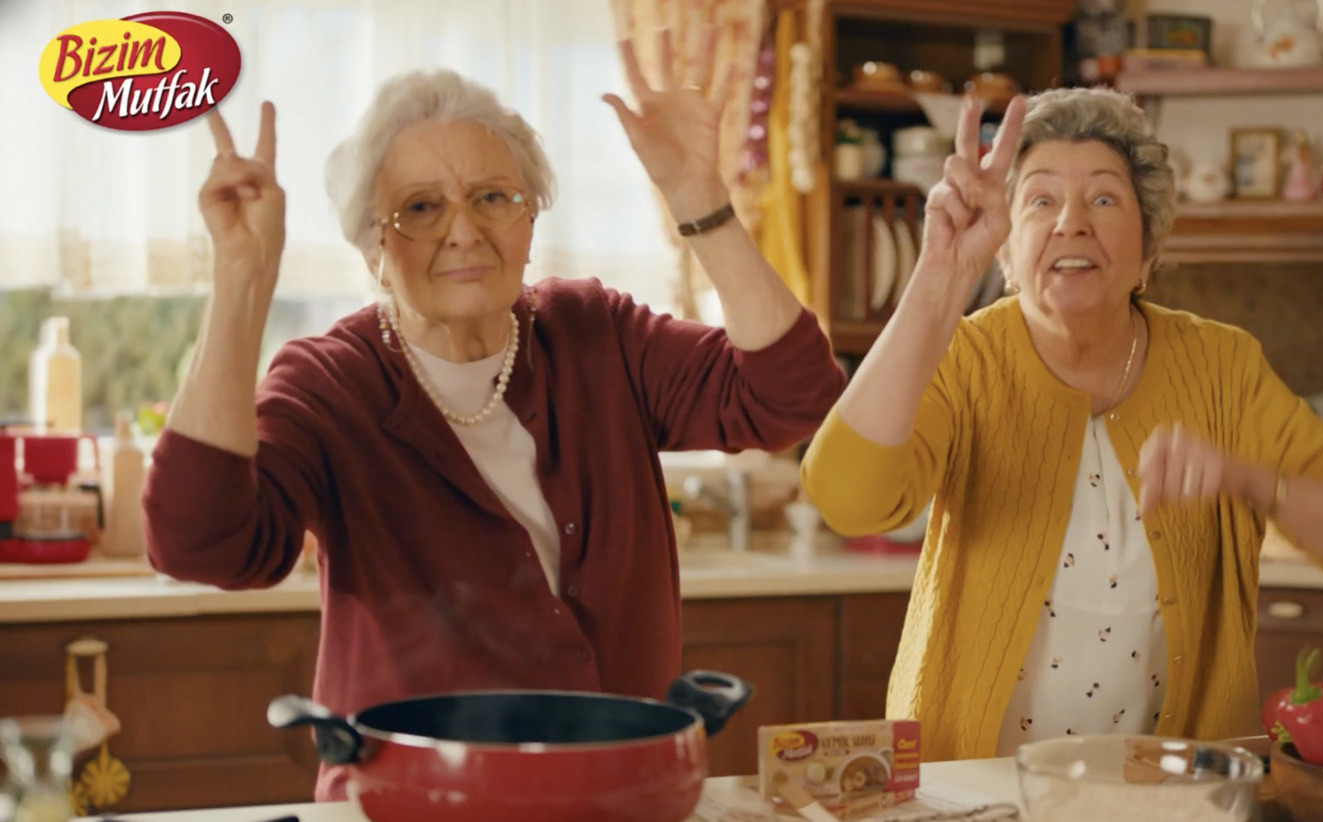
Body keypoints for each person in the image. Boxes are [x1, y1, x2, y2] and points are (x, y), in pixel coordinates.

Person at [143, 32, 846, 800]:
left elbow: (795, 394)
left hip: (616, 795)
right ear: (374, 246)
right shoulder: (329, 384)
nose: (464, 231)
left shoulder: (596, 331)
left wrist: (700, 203)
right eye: (421, 207)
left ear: (530, 220)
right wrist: (241, 281)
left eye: (493, 197)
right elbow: (200, 543)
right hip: (412, 800)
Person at [799, 87, 1323, 760]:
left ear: (1148, 249)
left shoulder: (1222, 367)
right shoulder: (965, 359)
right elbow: (846, 499)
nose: (1071, 222)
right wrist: (940, 276)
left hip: (1176, 798)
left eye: (1103, 199)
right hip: (975, 794)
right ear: (1004, 250)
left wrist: (1252, 480)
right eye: (1039, 199)